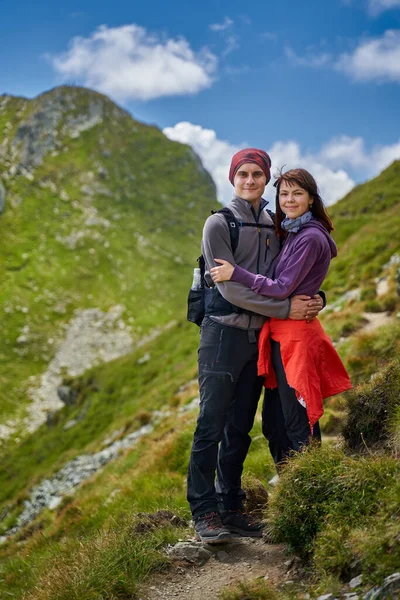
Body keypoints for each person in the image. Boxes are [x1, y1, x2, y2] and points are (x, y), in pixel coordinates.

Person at [187, 150, 324, 544]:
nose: (250, 180)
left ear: (266, 180)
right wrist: (285, 307)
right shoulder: (218, 223)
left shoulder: (274, 223)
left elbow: (289, 275)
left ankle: (230, 508)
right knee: (210, 425)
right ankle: (204, 510)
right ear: (233, 178)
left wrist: (318, 298)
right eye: (243, 174)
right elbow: (229, 288)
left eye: (257, 174)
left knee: (240, 428)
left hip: (260, 341)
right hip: (222, 336)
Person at [210, 168, 352, 464]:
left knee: (297, 418)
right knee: (276, 423)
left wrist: (236, 273)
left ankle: (311, 486)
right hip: (280, 333)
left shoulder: (309, 236)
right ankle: (294, 484)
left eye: (297, 193)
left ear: (311, 199)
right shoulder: (292, 230)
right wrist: (319, 296)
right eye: (284, 194)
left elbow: (283, 287)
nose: (289, 200)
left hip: (296, 336)